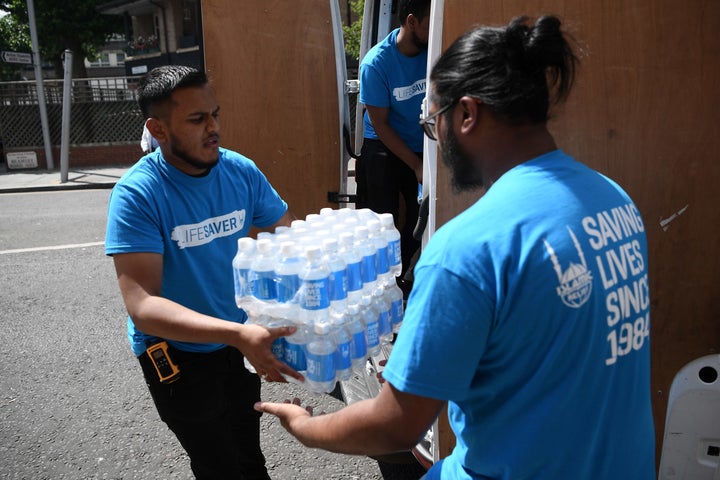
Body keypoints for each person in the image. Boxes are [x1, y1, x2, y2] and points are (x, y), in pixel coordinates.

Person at [255, 15, 656, 479]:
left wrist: (306, 425)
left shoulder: (468, 249)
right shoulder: (612, 199)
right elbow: (549, 348)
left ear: (466, 114)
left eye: (431, 123)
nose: (436, 139)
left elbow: (394, 428)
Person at [105, 65, 302, 479]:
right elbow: (143, 305)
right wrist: (237, 333)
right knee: (218, 464)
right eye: (197, 119)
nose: (213, 128)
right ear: (158, 129)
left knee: (248, 452)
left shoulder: (240, 171)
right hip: (178, 354)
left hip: (236, 344)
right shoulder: (138, 194)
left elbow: (288, 236)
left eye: (215, 114)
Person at [356, 0, 431, 283]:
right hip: (384, 144)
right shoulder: (376, 63)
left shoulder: (434, 54)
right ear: (411, 22)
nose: (434, 31)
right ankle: (379, 279)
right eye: (428, 25)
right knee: (383, 219)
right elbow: (380, 124)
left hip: (422, 142)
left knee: (420, 217)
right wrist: (416, 165)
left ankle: (400, 274)